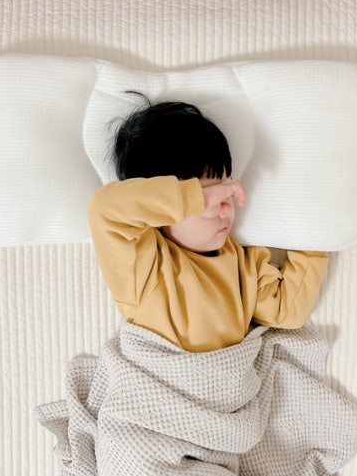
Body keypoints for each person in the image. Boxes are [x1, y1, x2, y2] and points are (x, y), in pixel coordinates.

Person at [87, 94, 330, 353]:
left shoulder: (242, 263)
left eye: (226, 189)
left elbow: (285, 311)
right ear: (162, 209)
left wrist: (314, 240)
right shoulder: (145, 265)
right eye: (206, 195)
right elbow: (104, 208)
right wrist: (197, 199)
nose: (225, 206)